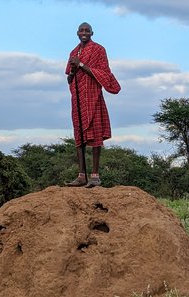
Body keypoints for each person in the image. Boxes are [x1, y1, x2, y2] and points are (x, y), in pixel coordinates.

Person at [65, 22, 121, 188]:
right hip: (78, 99)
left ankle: (95, 176)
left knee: (96, 134)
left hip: (93, 96)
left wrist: (81, 65)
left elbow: (104, 74)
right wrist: (74, 69)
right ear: (77, 33)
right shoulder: (73, 52)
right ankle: (82, 175)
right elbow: (69, 79)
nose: (84, 33)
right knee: (79, 136)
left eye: (87, 31)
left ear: (92, 33)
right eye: (81, 31)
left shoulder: (99, 50)